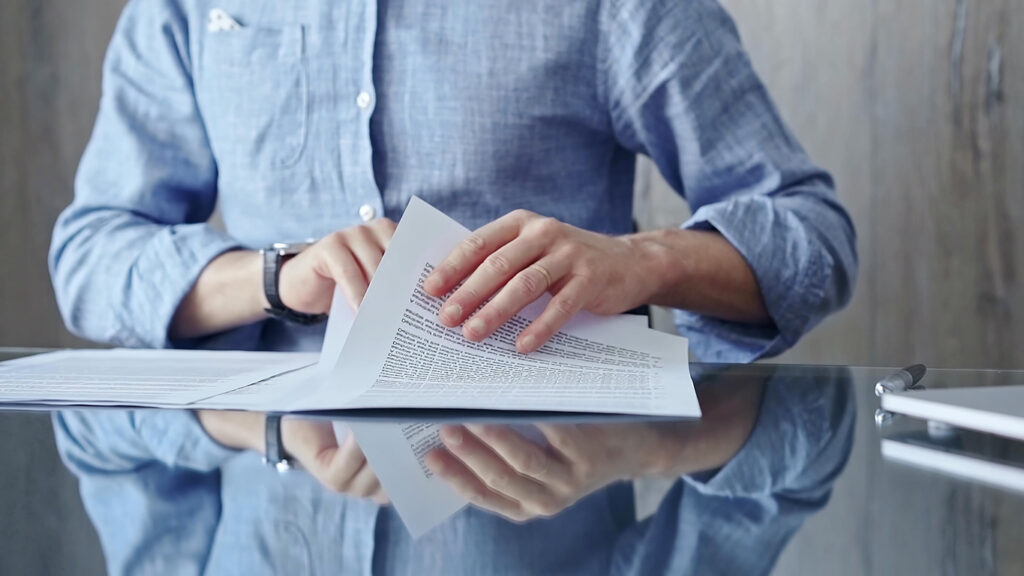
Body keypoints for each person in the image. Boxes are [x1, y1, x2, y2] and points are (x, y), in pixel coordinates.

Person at [49, 0, 857, 573]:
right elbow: (90, 255)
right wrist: (275, 277)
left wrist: (647, 260)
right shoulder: (184, 5)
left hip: (556, 457)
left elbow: (815, 236)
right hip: (261, 453)